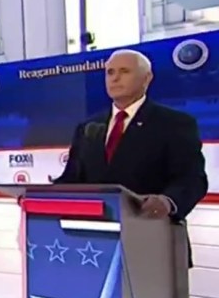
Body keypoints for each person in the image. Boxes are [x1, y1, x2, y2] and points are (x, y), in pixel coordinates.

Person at [57, 49, 207, 239]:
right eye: (110, 72)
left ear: (146, 78)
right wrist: (37, 194)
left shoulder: (174, 123)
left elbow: (192, 179)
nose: (115, 78)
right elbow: (72, 179)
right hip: (95, 239)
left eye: (124, 71)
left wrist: (168, 201)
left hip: (153, 236)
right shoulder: (88, 127)